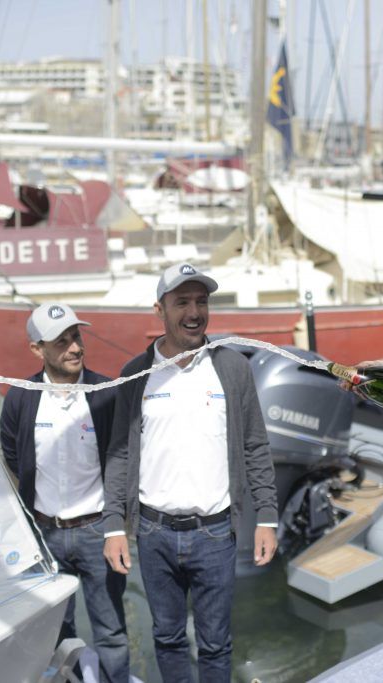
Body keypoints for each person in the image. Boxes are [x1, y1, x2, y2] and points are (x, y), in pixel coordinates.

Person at [102, 262, 278, 682]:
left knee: (216, 643)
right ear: (159, 310)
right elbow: (120, 455)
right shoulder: (135, 375)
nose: (194, 312)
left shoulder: (232, 368)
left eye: (201, 301)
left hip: (215, 533)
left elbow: (255, 445)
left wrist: (267, 517)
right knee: (167, 638)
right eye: (182, 302)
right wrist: (113, 526)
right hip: (153, 534)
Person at [0, 302, 129, 682]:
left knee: (111, 632)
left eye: (76, 337)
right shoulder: (20, 398)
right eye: (61, 341)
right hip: (46, 537)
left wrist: (116, 527)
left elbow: (121, 462)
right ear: (37, 349)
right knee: (56, 635)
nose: (74, 347)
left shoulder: (105, 394)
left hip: (98, 533)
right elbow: (13, 454)